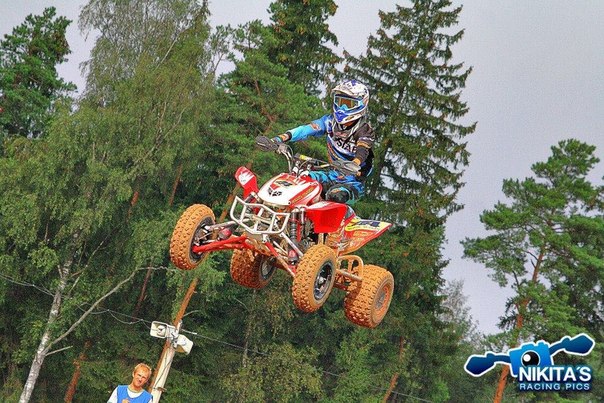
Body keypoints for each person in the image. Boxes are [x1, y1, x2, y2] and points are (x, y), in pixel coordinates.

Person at [272, 79, 375, 205]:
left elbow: (362, 150)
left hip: (352, 183)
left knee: (335, 196)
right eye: (340, 102)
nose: (342, 107)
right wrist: (280, 138)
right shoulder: (329, 121)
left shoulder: (364, 131)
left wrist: (354, 164)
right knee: (300, 180)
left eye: (348, 104)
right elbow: (305, 130)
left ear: (361, 104)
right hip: (331, 174)